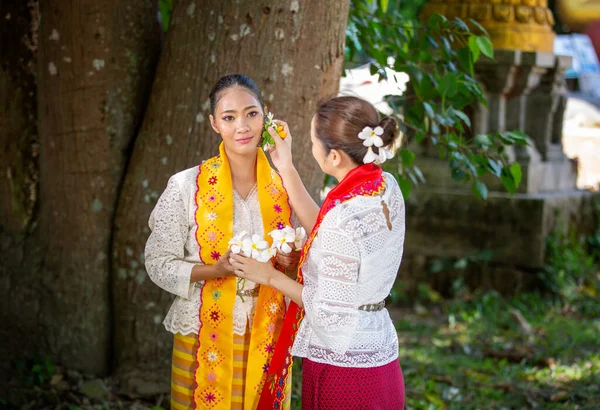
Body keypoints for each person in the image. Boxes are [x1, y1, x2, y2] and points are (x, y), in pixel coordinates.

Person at [230, 96, 406, 409]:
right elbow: (330, 231)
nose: (312, 149)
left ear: (335, 157)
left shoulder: (346, 213)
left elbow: (327, 313)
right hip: (379, 355)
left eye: (313, 142)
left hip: (344, 366)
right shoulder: (383, 187)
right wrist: (285, 165)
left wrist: (268, 275)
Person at [145, 73, 299, 410]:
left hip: (269, 334)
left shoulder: (285, 186)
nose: (242, 126)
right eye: (229, 117)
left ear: (265, 115)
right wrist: (215, 268)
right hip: (202, 332)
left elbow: (300, 258)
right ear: (215, 124)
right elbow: (158, 263)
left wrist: (291, 264)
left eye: (251, 113)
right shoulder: (186, 187)